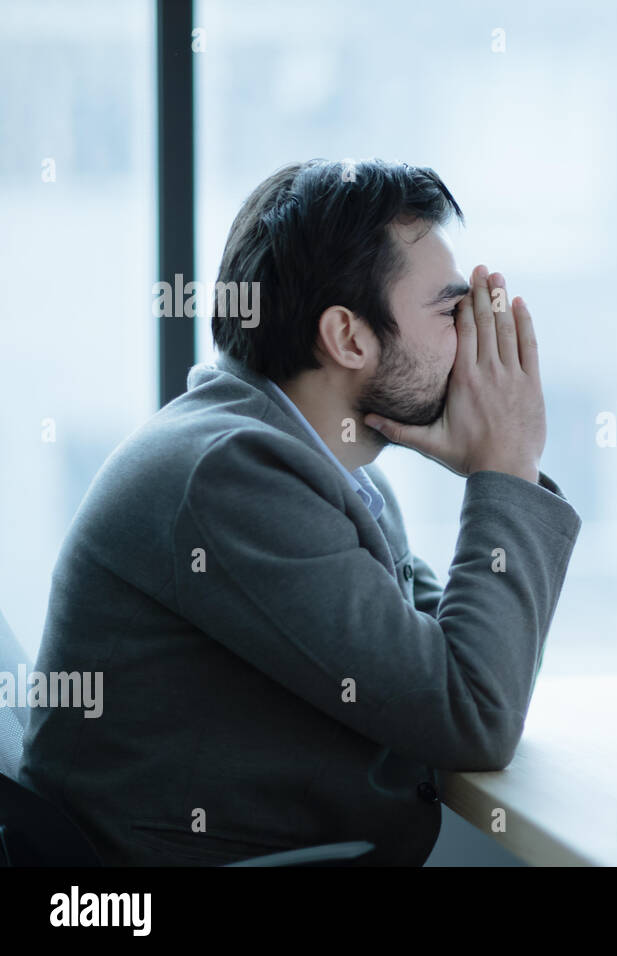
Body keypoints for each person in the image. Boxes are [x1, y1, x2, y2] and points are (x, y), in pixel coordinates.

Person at [19, 159, 581, 865]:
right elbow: (471, 711)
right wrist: (507, 466)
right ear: (348, 337)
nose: (474, 339)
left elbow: (459, 663)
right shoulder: (232, 474)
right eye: (449, 311)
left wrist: (506, 468)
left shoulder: (307, 461)